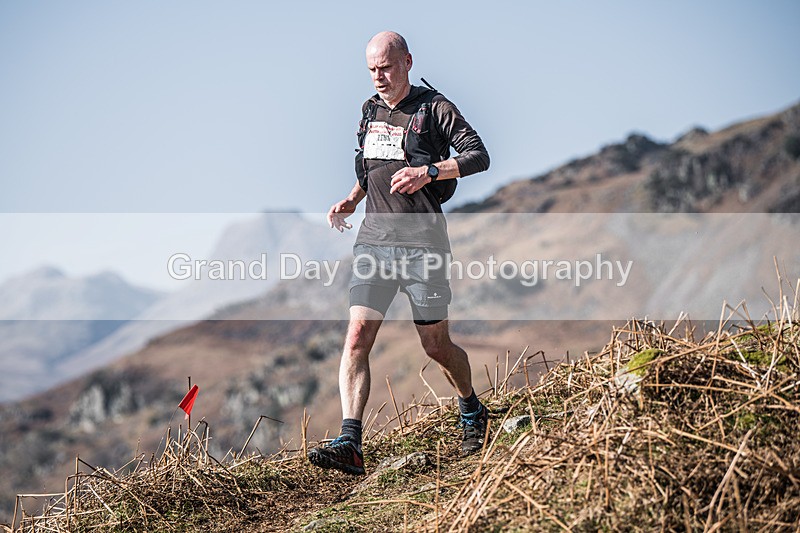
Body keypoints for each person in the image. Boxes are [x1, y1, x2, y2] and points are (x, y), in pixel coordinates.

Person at [307, 31, 490, 476]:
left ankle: (471, 408)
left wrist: (429, 171)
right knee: (356, 338)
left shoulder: (435, 108)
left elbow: (479, 156)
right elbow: (369, 166)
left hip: (424, 245)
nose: (378, 77)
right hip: (374, 242)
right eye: (372, 69)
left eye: (386, 67)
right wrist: (352, 199)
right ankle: (351, 442)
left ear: (407, 62)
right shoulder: (369, 110)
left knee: (435, 346)